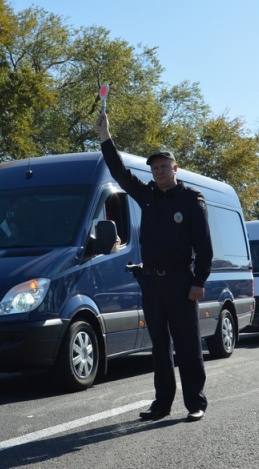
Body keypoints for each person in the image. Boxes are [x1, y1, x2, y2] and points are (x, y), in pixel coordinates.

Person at [96, 109, 213, 423]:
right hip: (151, 281)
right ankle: (162, 403)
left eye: (163, 167)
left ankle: (195, 403)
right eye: (154, 168)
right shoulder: (146, 194)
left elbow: (204, 247)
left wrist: (198, 281)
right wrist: (105, 137)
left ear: (175, 168)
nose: (158, 171)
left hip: (180, 281)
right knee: (159, 347)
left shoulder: (191, 200)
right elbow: (119, 172)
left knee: (188, 345)